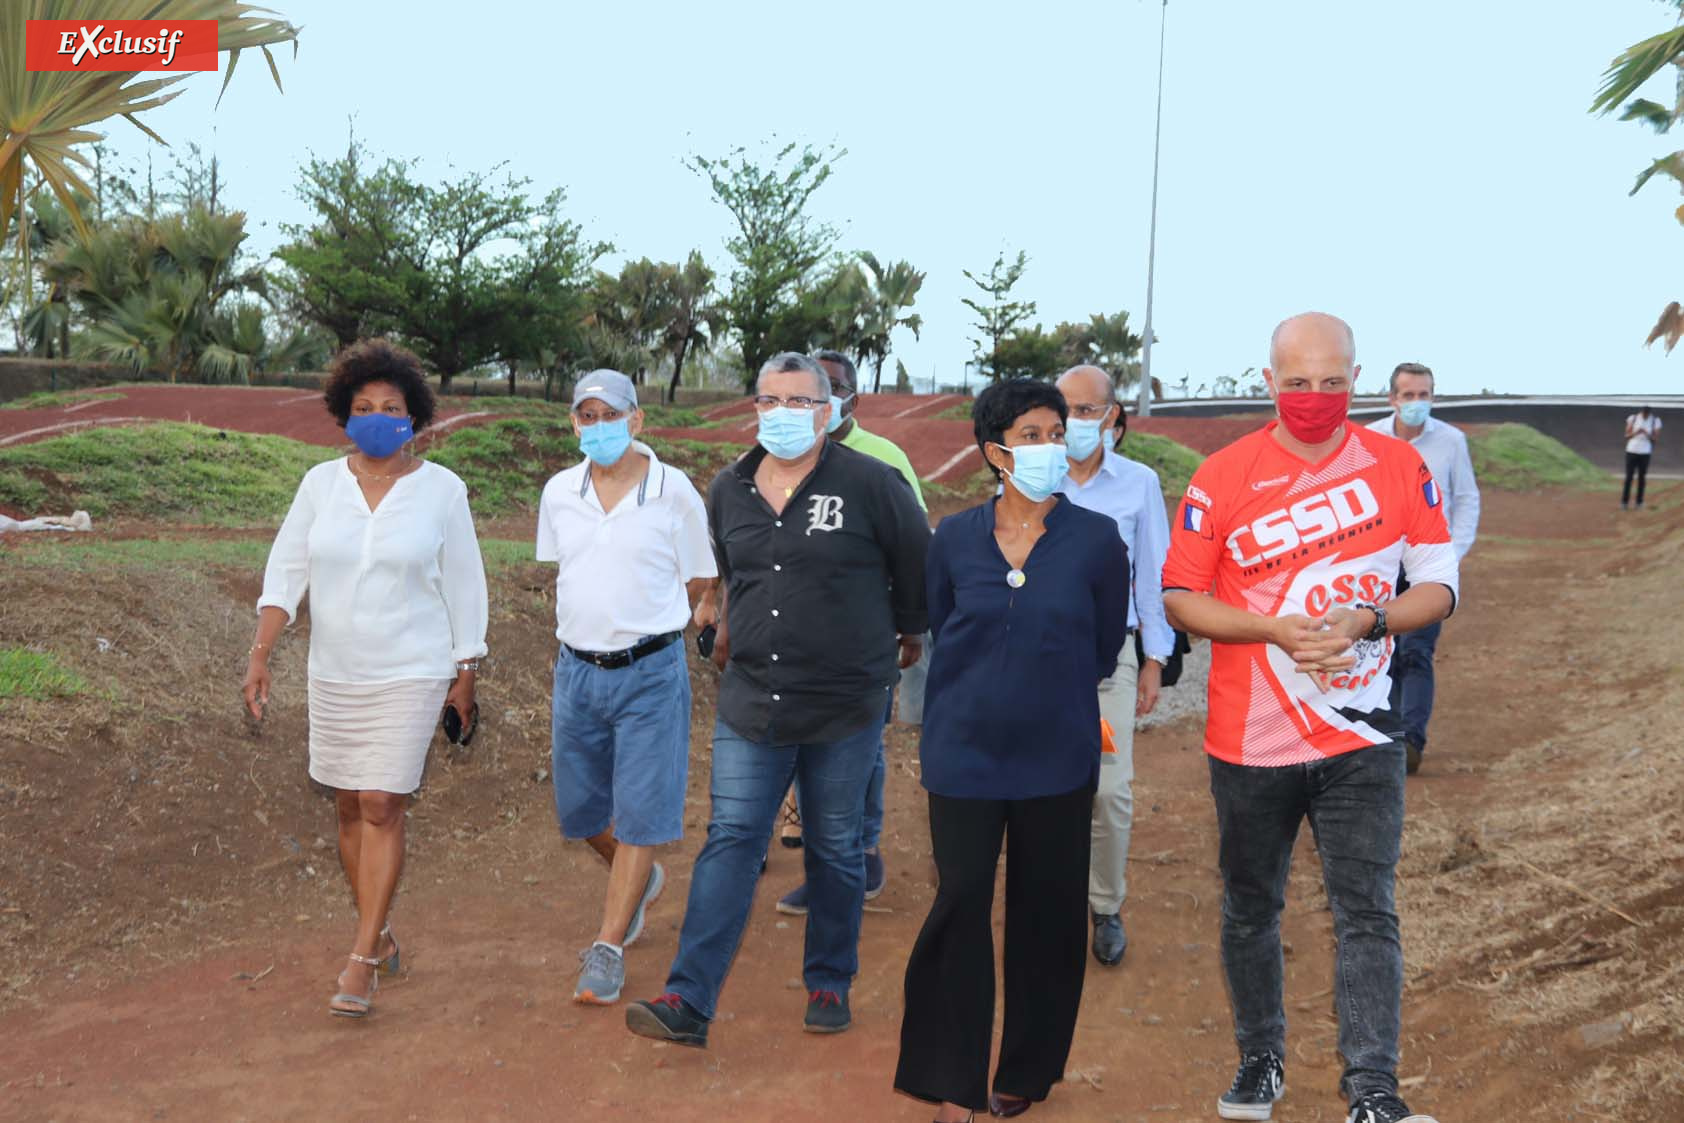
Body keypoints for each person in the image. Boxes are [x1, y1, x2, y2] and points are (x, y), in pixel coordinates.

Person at [1162, 313, 1453, 1123]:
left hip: (1362, 735)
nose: (1315, 397)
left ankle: (1373, 1091)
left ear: (1355, 382)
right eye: (1298, 382)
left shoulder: (1399, 467)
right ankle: (1261, 1057)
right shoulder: (1221, 475)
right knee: (1251, 905)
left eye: (1332, 382)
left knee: (1368, 908)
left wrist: (1372, 617)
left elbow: (1440, 583)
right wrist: (1270, 629)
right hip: (1250, 737)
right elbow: (1181, 594)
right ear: (1269, 382)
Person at [625, 352, 929, 1047]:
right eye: (770, 401)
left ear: (828, 412)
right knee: (731, 839)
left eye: (799, 402)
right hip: (752, 698)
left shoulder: (873, 484)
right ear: (753, 409)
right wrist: (728, 624)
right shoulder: (728, 488)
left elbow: (916, 560)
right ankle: (688, 996)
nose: (783, 414)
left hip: (845, 701)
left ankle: (829, 976)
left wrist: (907, 631)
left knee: (835, 842)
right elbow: (733, 574)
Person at [895, 378, 1129, 1123]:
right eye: (1031, 434)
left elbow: (1100, 648)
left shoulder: (1097, 541)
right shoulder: (954, 538)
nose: (1050, 446)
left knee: (1048, 913)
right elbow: (942, 627)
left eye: (1056, 432)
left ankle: (1025, 1067)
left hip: (1056, 758)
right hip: (962, 756)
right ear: (995, 450)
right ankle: (951, 1081)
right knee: (959, 902)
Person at [243, 339, 488, 1019]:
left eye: (391, 407)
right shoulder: (320, 485)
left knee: (382, 802)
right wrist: (261, 651)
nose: (377, 417)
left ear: (415, 418)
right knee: (349, 805)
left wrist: (465, 671)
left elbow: (466, 586)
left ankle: (359, 959)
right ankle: (377, 929)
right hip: (336, 672)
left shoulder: (443, 491)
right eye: (363, 407)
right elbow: (285, 573)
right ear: (343, 414)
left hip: (412, 667)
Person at [537, 369, 718, 1006]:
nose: (598, 426)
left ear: (636, 420)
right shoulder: (559, 492)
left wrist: (687, 621)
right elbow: (568, 570)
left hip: (650, 673)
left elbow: (701, 579)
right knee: (581, 811)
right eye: (586, 415)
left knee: (641, 812)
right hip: (577, 671)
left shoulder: (675, 493)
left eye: (610, 415)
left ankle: (607, 947)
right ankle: (638, 878)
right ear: (573, 424)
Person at [773, 347, 930, 916]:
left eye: (833, 387)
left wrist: (908, 626)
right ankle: (828, 854)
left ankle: (859, 853)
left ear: (851, 399)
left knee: (861, 745)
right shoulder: (778, 457)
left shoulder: (883, 458)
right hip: (790, 635)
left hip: (864, 635)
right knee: (805, 744)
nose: (821, 396)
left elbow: (913, 546)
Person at [1054, 363, 1174, 966]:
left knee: (1105, 786)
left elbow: (1154, 577)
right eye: (1063, 410)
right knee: (1043, 783)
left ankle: (1104, 905)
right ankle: (1049, 903)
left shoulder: (1138, 485)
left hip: (1107, 666)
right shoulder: (1029, 480)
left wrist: (1154, 658)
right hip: (1039, 665)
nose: (1073, 422)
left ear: (1111, 418)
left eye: (1084, 410)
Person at [1365, 363, 1480, 774]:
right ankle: (1383, 736)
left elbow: (1466, 499)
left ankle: (1410, 740)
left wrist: (1452, 555)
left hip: (1429, 565)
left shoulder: (1451, 442)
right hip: (1379, 563)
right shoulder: (1369, 441)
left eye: (1424, 395)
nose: (1417, 403)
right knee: (1381, 649)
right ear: (1392, 398)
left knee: (1416, 651)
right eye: (1409, 395)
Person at [1623, 405, 1661, 510]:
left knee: (1641, 478)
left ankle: (1639, 502)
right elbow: (1626, 435)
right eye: (1644, 412)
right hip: (1632, 451)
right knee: (1629, 477)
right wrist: (1636, 432)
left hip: (1645, 452)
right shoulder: (1633, 418)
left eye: (1647, 412)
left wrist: (1646, 433)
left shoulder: (1655, 421)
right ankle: (1624, 502)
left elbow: (1655, 439)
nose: (1645, 414)